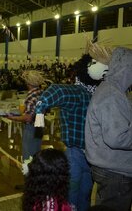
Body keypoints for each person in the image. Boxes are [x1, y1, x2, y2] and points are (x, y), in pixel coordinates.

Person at [34, 50, 110, 211]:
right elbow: (55, 91)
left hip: (93, 156)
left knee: (85, 193)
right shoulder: (77, 92)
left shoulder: (99, 94)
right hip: (76, 153)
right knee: (71, 193)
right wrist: (39, 114)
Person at [85, 47, 132, 211]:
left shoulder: (113, 90)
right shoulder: (111, 93)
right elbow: (117, 137)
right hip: (115, 171)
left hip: (110, 167)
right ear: (126, 68)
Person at [7, 70, 45, 161]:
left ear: (28, 82)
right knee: (37, 153)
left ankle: (29, 173)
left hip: (31, 127)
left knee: (28, 157)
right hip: (40, 125)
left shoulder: (31, 95)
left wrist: (13, 118)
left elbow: (28, 117)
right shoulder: (41, 92)